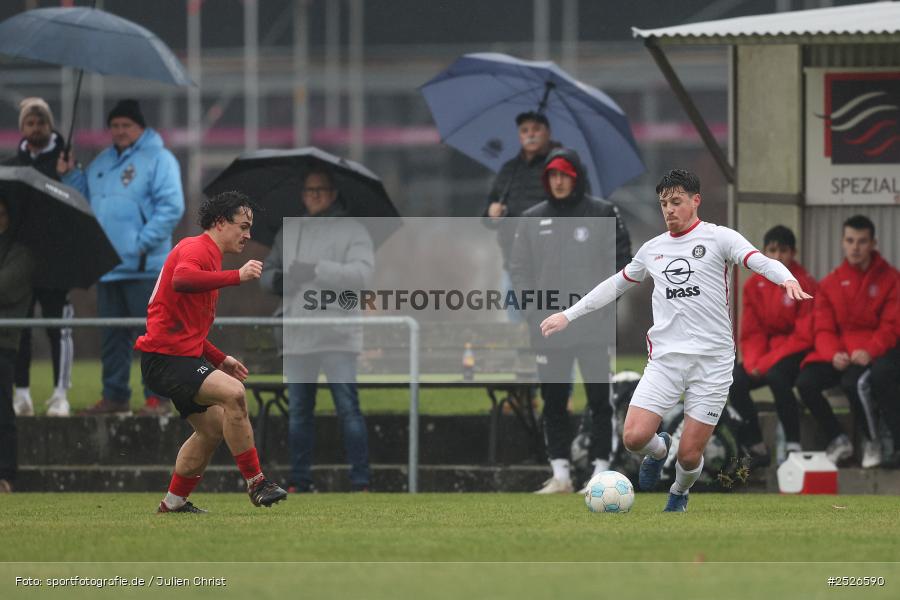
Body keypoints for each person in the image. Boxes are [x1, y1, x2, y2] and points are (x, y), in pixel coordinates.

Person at [540, 169, 811, 511]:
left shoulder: (719, 238)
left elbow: (756, 260)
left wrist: (785, 278)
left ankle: (680, 493)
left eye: (676, 201)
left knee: (689, 455)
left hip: (712, 363)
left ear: (695, 201)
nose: (669, 209)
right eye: (664, 203)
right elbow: (614, 285)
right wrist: (568, 315)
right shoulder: (653, 250)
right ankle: (659, 449)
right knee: (634, 438)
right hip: (666, 361)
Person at [135, 191, 286, 512]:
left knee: (212, 430)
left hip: (176, 358)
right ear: (220, 223)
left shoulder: (209, 255)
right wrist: (237, 276)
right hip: (166, 360)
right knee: (234, 394)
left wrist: (221, 359)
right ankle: (258, 483)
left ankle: (174, 503)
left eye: (250, 228)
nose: (248, 235)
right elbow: (182, 278)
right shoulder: (196, 248)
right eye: (243, 226)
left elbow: (184, 327)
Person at [509, 148, 631, 494]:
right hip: (549, 328)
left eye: (565, 175)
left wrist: (605, 307)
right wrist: (533, 311)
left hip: (593, 327)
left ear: (576, 177)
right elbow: (519, 271)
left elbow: (624, 265)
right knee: (553, 400)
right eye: (552, 175)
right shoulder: (532, 218)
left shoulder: (604, 212)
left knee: (599, 400)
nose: (558, 181)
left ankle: (599, 472)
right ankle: (560, 474)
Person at [58, 99, 185, 416]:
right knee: (111, 338)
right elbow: (83, 199)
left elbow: (172, 207)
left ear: (140, 127)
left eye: (126, 125)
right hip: (109, 268)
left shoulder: (160, 159)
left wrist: (141, 244)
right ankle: (115, 397)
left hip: (145, 269)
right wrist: (69, 174)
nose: (120, 131)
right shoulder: (101, 163)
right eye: (114, 126)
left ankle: (158, 399)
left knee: (153, 337)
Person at [260, 167, 374, 493]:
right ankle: (299, 480)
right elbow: (268, 272)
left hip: (337, 333)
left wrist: (317, 270)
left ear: (334, 193)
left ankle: (360, 481)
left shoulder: (354, 231)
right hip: (297, 333)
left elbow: (362, 275)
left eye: (320, 190)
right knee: (298, 413)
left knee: (348, 409)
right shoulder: (289, 232)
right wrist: (281, 281)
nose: (314, 196)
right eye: (309, 190)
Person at [795, 215, 899, 468]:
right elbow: (823, 327)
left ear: (873, 243)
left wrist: (870, 350)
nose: (855, 247)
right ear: (842, 242)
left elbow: (891, 326)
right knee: (806, 382)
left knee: (855, 383)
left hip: (874, 353)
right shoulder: (830, 283)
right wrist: (833, 354)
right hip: (842, 354)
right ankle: (838, 439)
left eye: (862, 241)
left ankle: (873, 441)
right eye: (850, 240)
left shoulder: (891, 279)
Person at [3, 98, 72, 418]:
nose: (35, 129)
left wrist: (61, 177)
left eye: (40, 123)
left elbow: (72, 204)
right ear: (22, 128)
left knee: (57, 327)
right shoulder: (13, 163)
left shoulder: (67, 161)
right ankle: (23, 394)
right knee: (21, 329)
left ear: (50, 124)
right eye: (29, 123)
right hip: (21, 260)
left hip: (56, 258)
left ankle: (60, 394)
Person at [728, 225, 818, 464]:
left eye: (783, 251)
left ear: (794, 253)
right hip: (765, 355)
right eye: (772, 250)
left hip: (797, 354)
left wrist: (765, 363)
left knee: (778, 377)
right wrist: (755, 362)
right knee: (734, 380)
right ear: (764, 252)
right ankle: (755, 445)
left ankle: (793, 444)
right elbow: (751, 331)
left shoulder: (804, 283)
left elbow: (803, 335)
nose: (777, 257)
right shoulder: (753, 286)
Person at [483, 112, 560, 307]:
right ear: (519, 136)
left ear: (547, 133)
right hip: (513, 263)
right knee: (516, 326)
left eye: (536, 129)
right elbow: (488, 217)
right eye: (525, 130)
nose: (530, 135)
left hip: (551, 265)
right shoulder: (509, 170)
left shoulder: (560, 169)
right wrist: (492, 214)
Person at [0, 195, 35, 492]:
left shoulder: (20, 253)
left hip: (4, 342)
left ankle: (6, 475)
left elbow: (5, 289)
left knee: (2, 410)